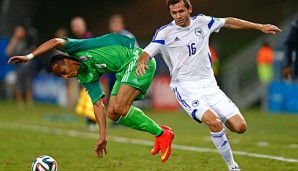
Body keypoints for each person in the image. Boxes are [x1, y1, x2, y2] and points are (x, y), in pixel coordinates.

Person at [135, 0, 282, 170]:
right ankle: (232, 166)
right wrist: (141, 63)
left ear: (190, 9)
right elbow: (147, 52)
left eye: (181, 11)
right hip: (186, 88)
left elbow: (228, 21)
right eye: (173, 13)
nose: (178, 16)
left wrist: (259, 27)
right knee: (214, 122)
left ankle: (220, 132)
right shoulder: (165, 33)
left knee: (240, 127)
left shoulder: (203, 22)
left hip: (210, 86)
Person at [8, 33, 175, 163]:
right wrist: (103, 136)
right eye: (62, 77)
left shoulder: (76, 48)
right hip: (123, 72)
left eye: (64, 72)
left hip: (137, 60)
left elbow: (55, 41)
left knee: (121, 107)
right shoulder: (85, 77)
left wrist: (29, 57)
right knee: (113, 113)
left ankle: (161, 134)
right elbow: (97, 104)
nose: (66, 77)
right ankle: (161, 132)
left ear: (66, 60)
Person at [6, 25, 36, 109]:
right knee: (19, 84)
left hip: (28, 66)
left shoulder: (28, 40)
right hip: (18, 66)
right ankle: (20, 103)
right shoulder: (13, 41)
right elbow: (8, 52)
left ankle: (29, 102)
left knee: (28, 84)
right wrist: (15, 38)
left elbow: (33, 49)